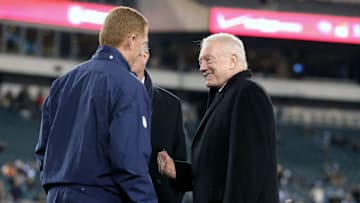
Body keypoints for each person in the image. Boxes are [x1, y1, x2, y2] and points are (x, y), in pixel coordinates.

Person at [34, 7, 158, 203]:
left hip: (57, 195)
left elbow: (43, 150)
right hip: (102, 195)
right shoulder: (129, 86)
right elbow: (129, 162)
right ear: (131, 40)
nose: (142, 51)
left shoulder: (62, 82)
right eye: (143, 44)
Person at [158, 33, 279, 203]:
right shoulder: (226, 96)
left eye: (208, 60)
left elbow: (247, 173)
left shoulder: (247, 94)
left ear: (232, 61)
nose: (202, 67)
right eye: (200, 61)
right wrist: (178, 171)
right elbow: (216, 173)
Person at [131, 44, 187, 203]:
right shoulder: (100, 97)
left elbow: (179, 164)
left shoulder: (171, 105)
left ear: (145, 55)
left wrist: (170, 197)